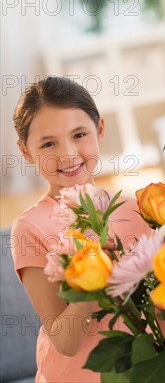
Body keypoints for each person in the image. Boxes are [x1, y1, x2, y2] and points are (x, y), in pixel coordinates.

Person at [11, 76, 150, 383]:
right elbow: (65, 342)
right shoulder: (29, 229)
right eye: (48, 144)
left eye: (79, 134)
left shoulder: (139, 207)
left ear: (100, 129)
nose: (68, 154)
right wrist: (93, 277)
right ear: (25, 152)